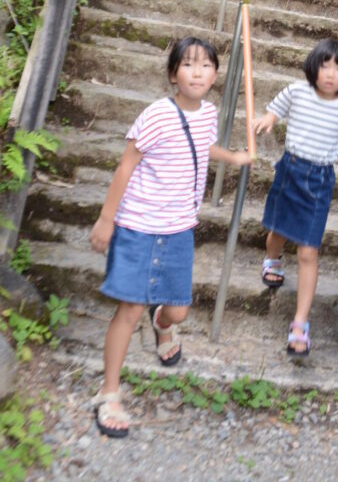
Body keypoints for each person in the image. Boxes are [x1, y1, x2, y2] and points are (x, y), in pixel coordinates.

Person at [89, 36, 253, 439]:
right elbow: (126, 167)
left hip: (179, 228)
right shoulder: (156, 116)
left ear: (216, 75)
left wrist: (231, 157)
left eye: (205, 66)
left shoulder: (208, 113)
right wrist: (106, 220)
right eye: (188, 65)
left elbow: (200, 145)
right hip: (138, 226)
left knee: (177, 312)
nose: (197, 72)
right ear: (172, 74)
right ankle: (109, 392)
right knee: (129, 310)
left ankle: (162, 325)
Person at [254, 37, 338, 356]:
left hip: (319, 180)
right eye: (325, 65)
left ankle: (300, 324)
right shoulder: (296, 91)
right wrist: (267, 120)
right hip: (290, 170)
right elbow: (274, 111)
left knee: (308, 251)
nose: (331, 73)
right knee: (278, 230)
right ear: (313, 68)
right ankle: (273, 259)